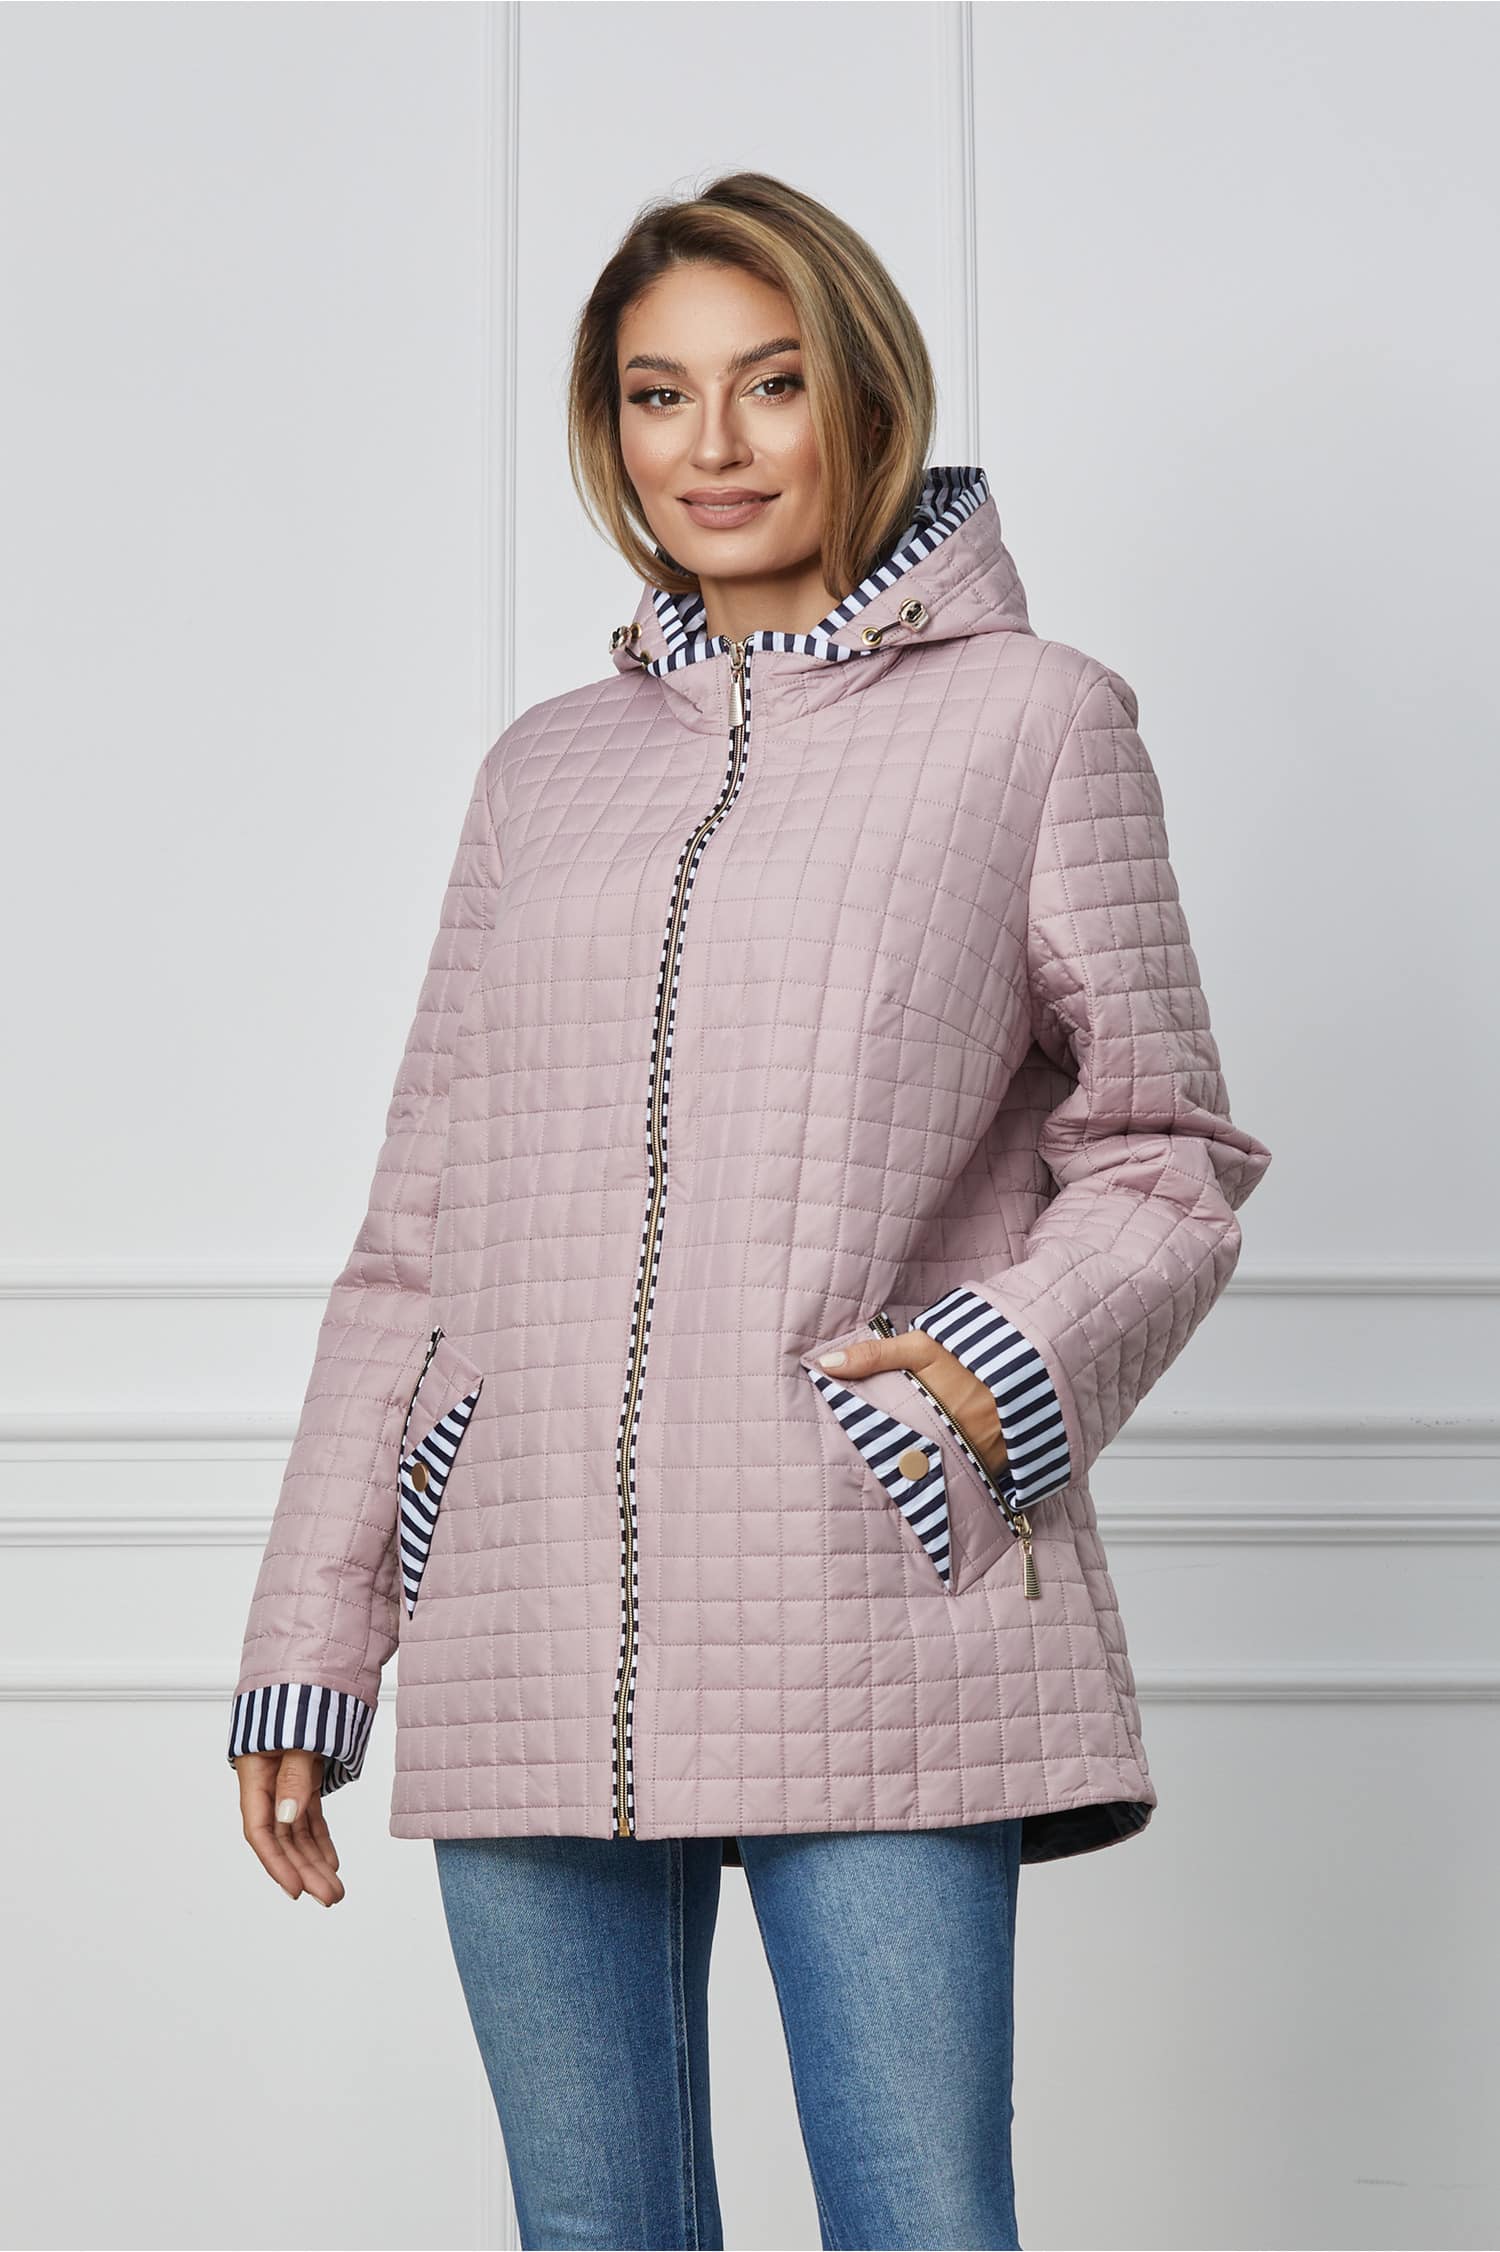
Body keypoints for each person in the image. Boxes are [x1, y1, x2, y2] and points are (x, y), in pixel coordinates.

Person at [227, 170, 1273, 2252]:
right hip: (526, 1604)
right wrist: (312, 1644)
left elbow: (1168, 1150)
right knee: (592, 2231)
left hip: (865, 1595)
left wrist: (979, 1377)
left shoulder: (1038, 722)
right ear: (607, 428)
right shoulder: (543, 770)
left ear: (861, 396)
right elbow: (419, 1230)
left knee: (919, 2223)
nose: (710, 444)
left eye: (769, 384)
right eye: (657, 394)